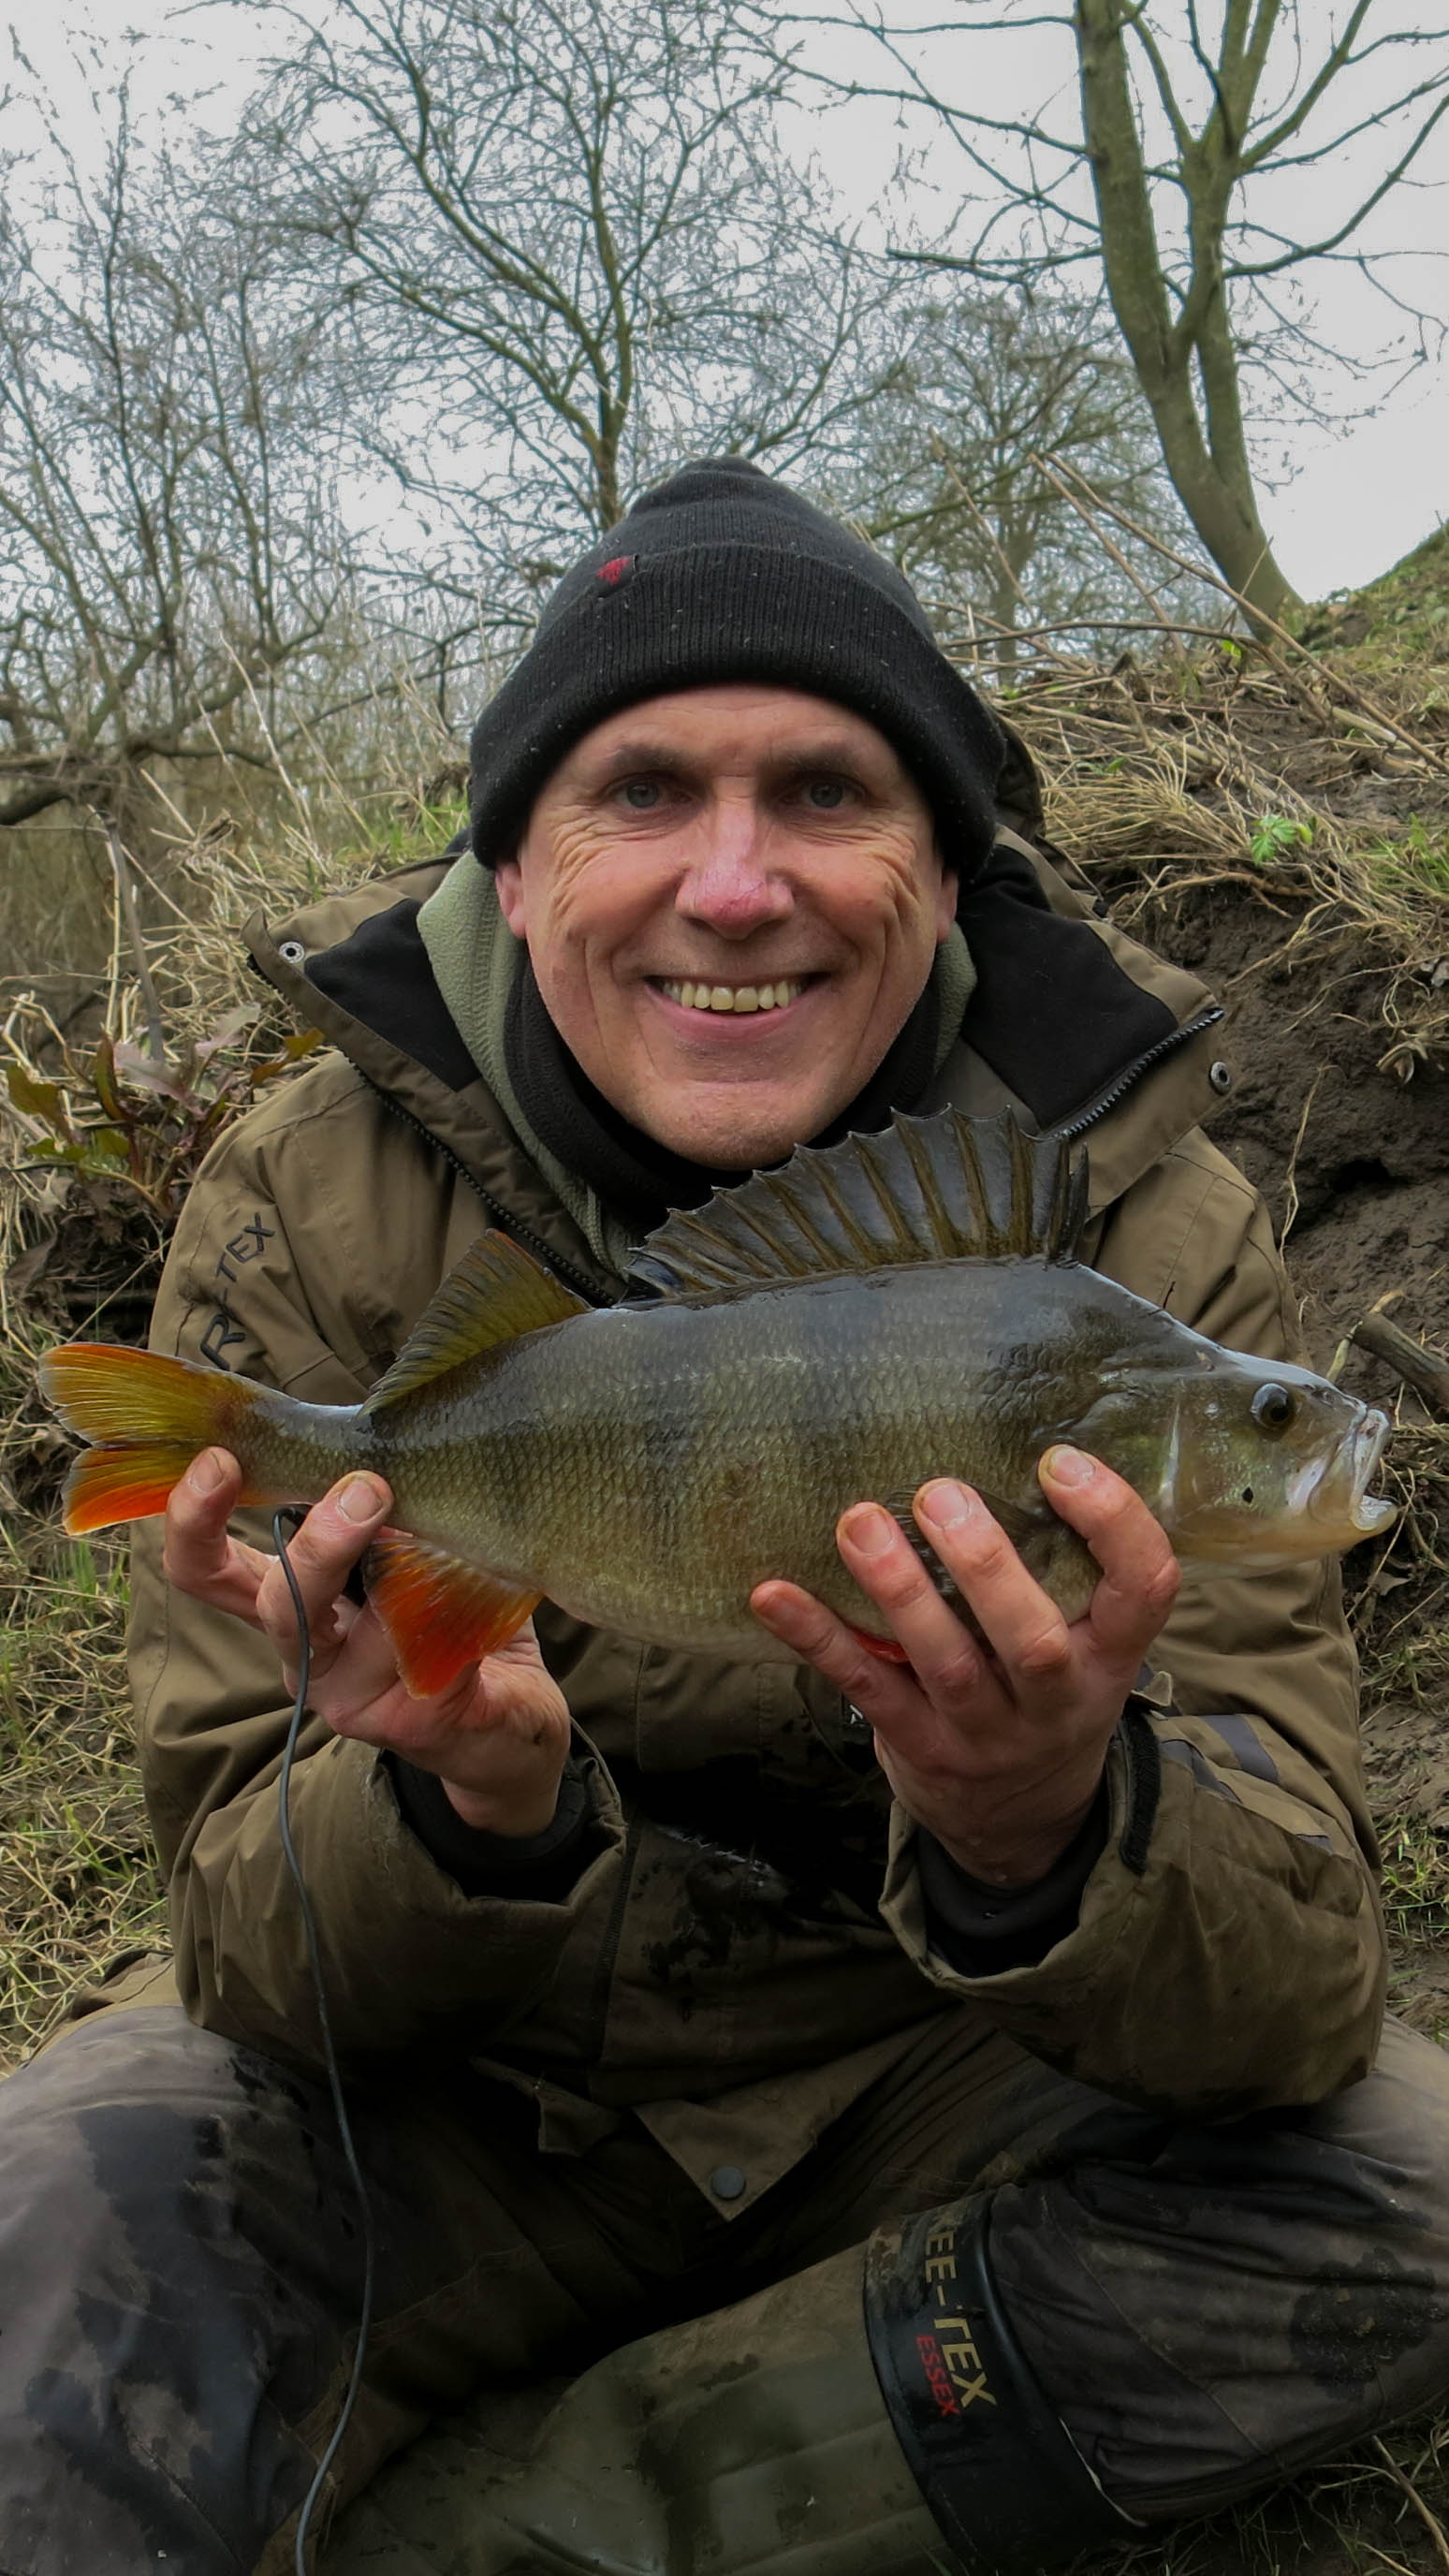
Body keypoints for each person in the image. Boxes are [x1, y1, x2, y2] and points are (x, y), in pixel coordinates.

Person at [2, 457, 1447, 2576]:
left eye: (831, 793)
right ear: (515, 867)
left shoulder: (1142, 1227)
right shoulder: (318, 1190)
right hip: (482, 2085)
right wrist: (458, 1803)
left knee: (1405, 2193)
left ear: (946, 871)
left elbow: (1296, 1978)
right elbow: (245, 1932)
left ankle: (522, 2517)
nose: (738, 881)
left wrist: (1053, 1826)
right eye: (644, 790)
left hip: (937, 2058)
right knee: (55, 2216)